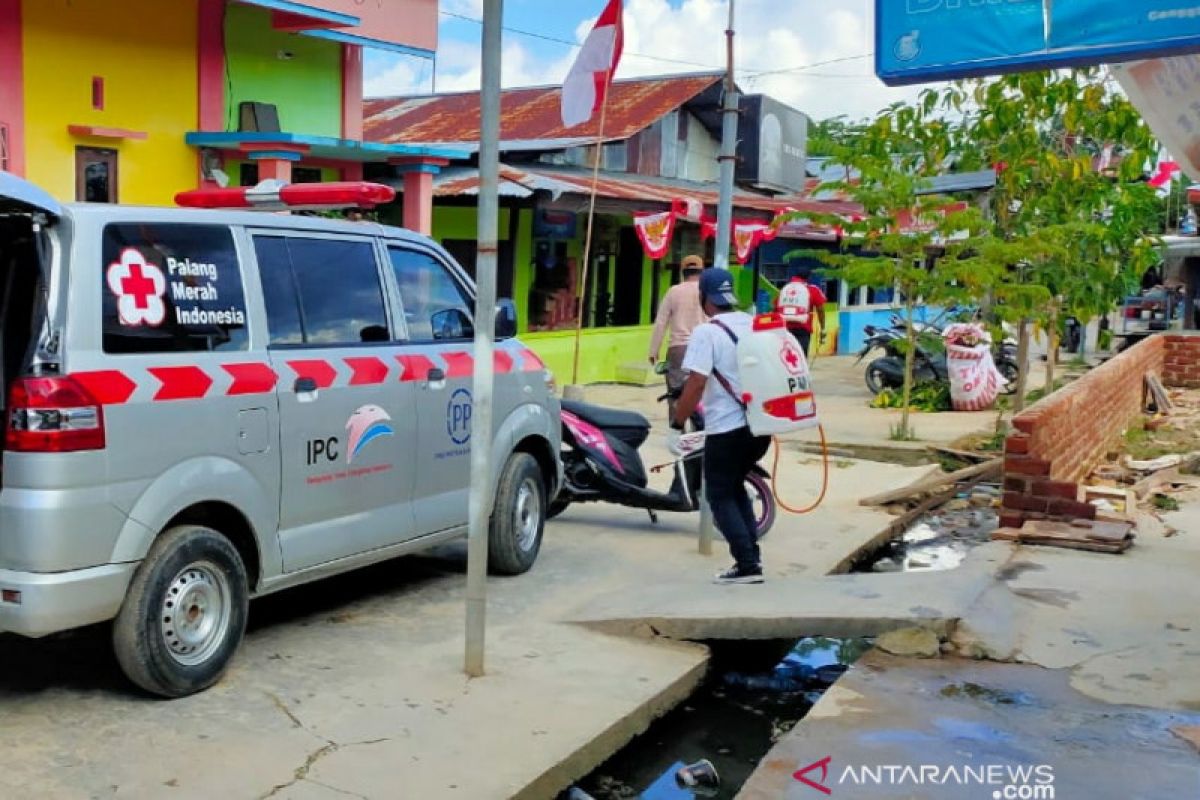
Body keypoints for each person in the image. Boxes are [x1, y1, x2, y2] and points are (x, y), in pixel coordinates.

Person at [672, 268, 772, 585]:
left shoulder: (708, 332)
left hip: (727, 429)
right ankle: (750, 561)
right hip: (759, 426)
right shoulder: (752, 323)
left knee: (718, 494)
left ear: (705, 297)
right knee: (735, 488)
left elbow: (696, 383)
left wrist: (676, 424)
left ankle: (746, 565)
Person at [648, 255, 708, 414]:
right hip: (703, 349)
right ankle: (698, 431)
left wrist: (654, 350)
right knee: (700, 393)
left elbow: (661, 322)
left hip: (678, 349)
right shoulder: (706, 292)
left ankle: (677, 431)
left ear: (683, 272)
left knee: (675, 394)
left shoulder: (673, 292)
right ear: (702, 272)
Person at [776, 271, 827, 357]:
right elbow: (820, 310)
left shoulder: (785, 289)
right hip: (803, 329)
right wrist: (822, 328)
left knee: (784, 357)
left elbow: (776, 307)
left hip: (784, 328)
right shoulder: (812, 289)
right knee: (801, 357)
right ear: (808, 278)